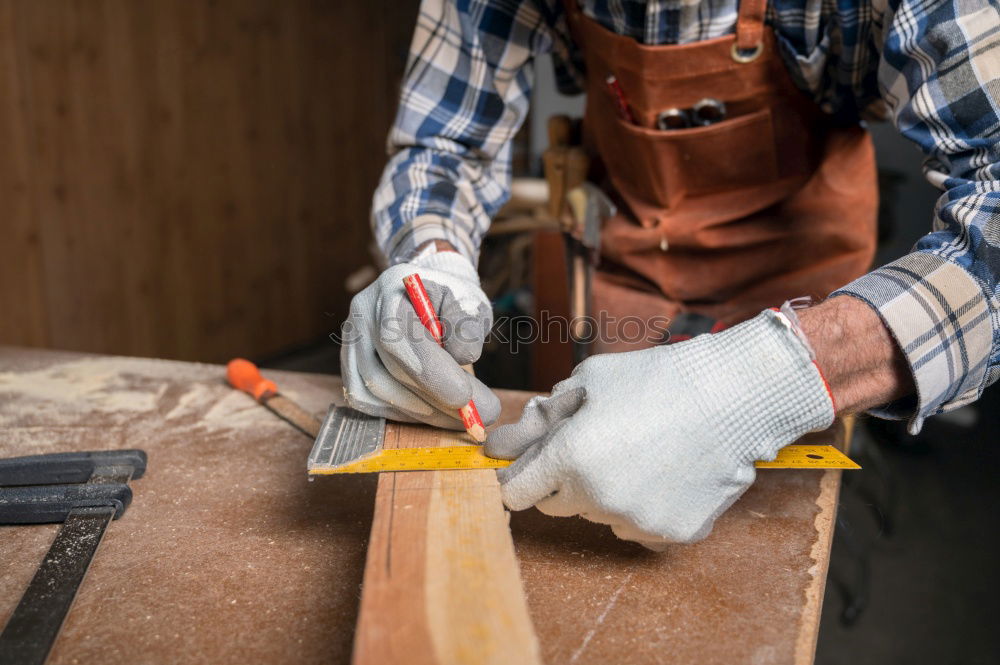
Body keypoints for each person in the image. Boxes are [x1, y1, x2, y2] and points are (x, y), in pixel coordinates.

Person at [341, 0, 999, 548]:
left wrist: (781, 376)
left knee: (762, 560)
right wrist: (431, 260)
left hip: (804, 286)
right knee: (592, 525)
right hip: (633, 263)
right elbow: (443, 146)